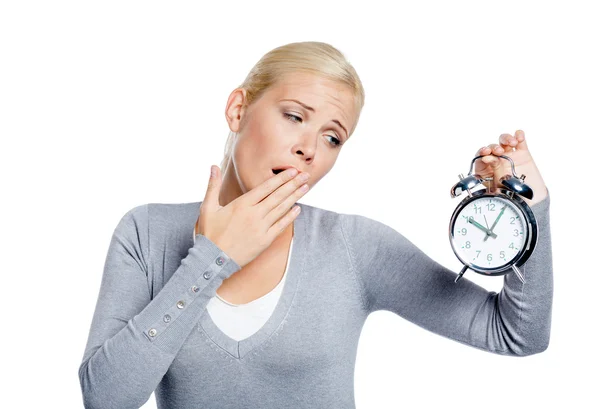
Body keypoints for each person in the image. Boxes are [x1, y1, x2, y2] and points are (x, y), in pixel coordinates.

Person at [78, 41, 552, 409]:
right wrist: (209, 261)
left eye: (332, 137)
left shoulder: (353, 247)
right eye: (293, 116)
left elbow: (517, 334)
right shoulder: (146, 233)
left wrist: (530, 212)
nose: (310, 148)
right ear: (238, 109)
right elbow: (106, 397)